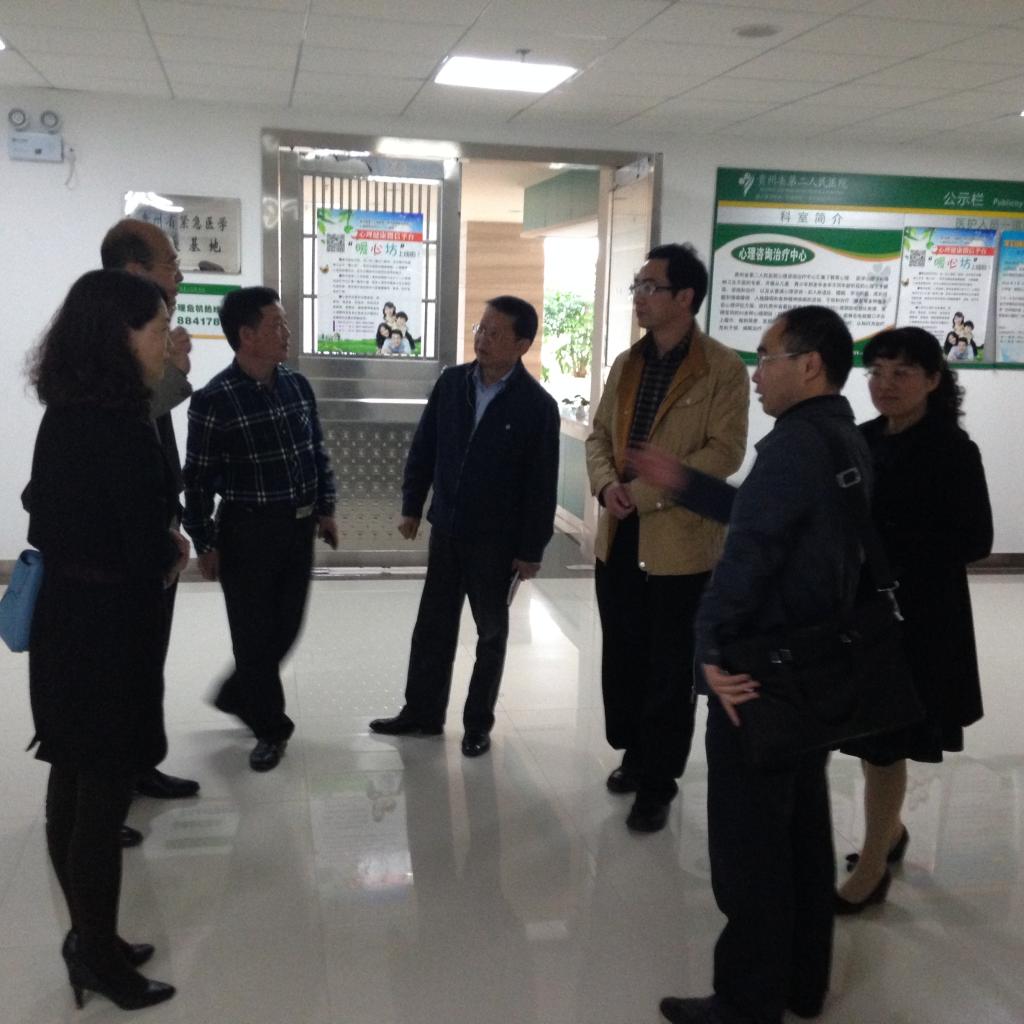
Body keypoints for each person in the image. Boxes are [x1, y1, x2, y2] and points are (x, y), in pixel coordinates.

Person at [634, 305, 869, 1024]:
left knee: (751, 846)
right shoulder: (840, 438)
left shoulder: (794, 446)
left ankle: (747, 999)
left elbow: (749, 557)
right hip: (813, 666)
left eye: (767, 357)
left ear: (810, 365)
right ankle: (801, 983)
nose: (756, 372)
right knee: (801, 833)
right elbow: (771, 517)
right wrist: (688, 483)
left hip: (759, 674)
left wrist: (709, 652)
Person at [26, 269, 186, 1010]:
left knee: (71, 780)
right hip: (111, 631)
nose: (166, 344)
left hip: (64, 621)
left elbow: (40, 508)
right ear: (119, 337)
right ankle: (99, 957)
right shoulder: (121, 427)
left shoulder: (65, 411)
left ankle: (90, 938)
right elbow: (143, 547)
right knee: (101, 804)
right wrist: (171, 549)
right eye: (158, 330)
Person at [584, 242, 748, 833]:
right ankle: (634, 754)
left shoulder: (722, 369)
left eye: (650, 287)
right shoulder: (626, 364)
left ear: (685, 297)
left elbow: (724, 453)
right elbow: (598, 437)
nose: (639, 296)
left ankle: (658, 780)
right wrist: (607, 486)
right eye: (637, 286)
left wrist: (645, 492)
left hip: (680, 547)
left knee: (668, 669)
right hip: (619, 535)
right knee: (624, 658)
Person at [836, 327, 992, 912]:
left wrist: (894, 545)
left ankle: (873, 868)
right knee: (868, 735)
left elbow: (976, 539)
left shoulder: (953, 450)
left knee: (887, 742)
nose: (885, 384)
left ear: (932, 380)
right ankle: (891, 833)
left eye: (902, 372)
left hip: (920, 617)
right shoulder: (863, 438)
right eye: (876, 371)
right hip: (864, 609)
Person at [369, 296, 560, 757]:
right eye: (480, 328)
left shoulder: (537, 406)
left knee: (490, 634)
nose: (482, 339)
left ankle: (477, 724)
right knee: (432, 627)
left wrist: (531, 550)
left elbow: (541, 485)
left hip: (497, 542)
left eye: (495, 333)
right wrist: (412, 505)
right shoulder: (453, 384)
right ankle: (422, 713)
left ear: (522, 344)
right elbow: (425, 446)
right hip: (447, 529)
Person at [182, 287, 338, 772]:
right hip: (246, 533)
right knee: (252, 636)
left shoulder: (297, 386)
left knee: (285, 628)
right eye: (276, 325)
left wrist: (326, 508)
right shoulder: (214, 399)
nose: (287, 333)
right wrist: (205, 542)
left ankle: (237, 692)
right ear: (246, 336)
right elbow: (197, 480)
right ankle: (271, 728)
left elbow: (316, 453)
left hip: (297, 529)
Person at [100, 218, 199, 843]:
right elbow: (124, 423)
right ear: (136, 270)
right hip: (117, 550)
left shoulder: (139, 330)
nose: (179, 275)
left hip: (153, 530)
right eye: (170, 263)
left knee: (146, 661)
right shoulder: (107, 337)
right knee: (117, 673)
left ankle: (138, 767)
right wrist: (174, 372)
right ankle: (99, 802)